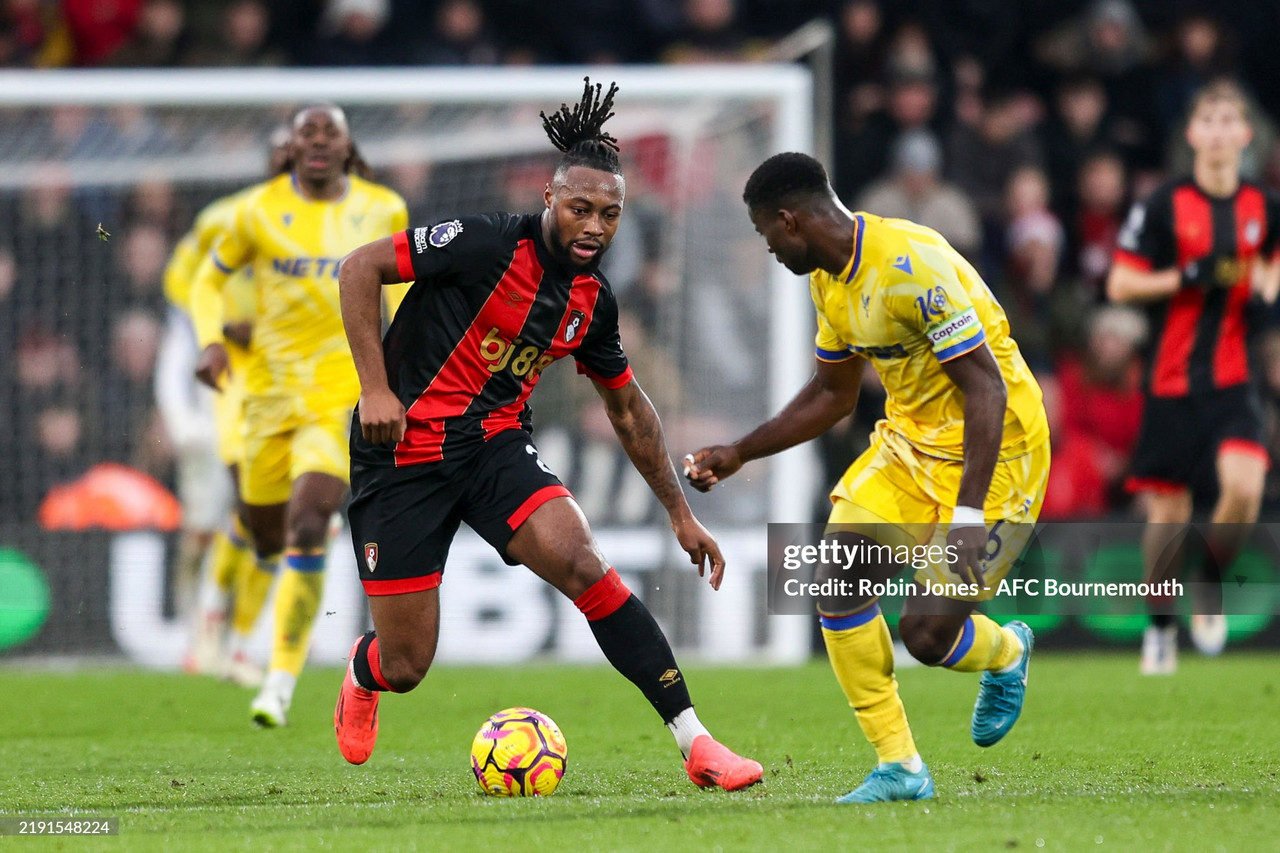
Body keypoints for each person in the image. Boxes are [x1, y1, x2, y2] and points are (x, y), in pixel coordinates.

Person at [331, 78, 762, 792]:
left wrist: (681, 514)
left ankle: (697, 742)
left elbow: (629, 408)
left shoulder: (594, 301)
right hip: (402, 450)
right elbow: (359, 268)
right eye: (581, 208)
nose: (594, 225)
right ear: (550, 200)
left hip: (493, 447)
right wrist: (376, 388)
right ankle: (363, 669)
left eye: (610, 214)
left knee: (585, 564)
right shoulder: (481, 244)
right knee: (407, 664)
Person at [686, 152, 1051, 803]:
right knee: (837, 582)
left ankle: (1005, 652)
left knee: (927, 637)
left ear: (789, 219)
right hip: (910, 446)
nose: (767, 248)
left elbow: (986, 391)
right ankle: (901, 766)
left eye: (765, 233)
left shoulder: (911, 265)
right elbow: (833, 395)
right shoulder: (829, 280)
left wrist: (967, 520)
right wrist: (741, 451)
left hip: (999, 452)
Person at [192, 104, 410, 726]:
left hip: (341, 397)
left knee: (310, 518)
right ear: (291, 147)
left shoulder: (382, 208)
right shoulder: (255, 211)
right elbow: (208, 281)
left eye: (329, 133)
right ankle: (233, 605)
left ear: (347, 147)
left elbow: (403, 299)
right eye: (306, 133)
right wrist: (211, 339)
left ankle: (280, 682)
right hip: (266, 398)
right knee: (266, 533)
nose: (317, 142)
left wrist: (400, 380)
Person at [1107, 78, 1280, 674]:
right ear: (1192, 134)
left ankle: (1208, 583)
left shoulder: (1264, 206)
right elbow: (1120, 284)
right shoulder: (1162, 205)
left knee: (1246, 487)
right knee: (1168, 517)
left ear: (1246, 134)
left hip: (1234, 381)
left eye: (1230, 120)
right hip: (1171, 382)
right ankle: (1159, 625)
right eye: (1208, 120)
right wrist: (1187, 276)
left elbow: (1272, 260)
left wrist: (1267, 285)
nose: (1219, 131)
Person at [156, 128, 290, 687]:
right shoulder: (231, 221)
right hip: (223, 394)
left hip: (284, 392)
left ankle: (229, 637)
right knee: (207, 526)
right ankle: (197, 630)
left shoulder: (334, 225)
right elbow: (183, 310)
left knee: (267, 518)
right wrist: (180, 414)